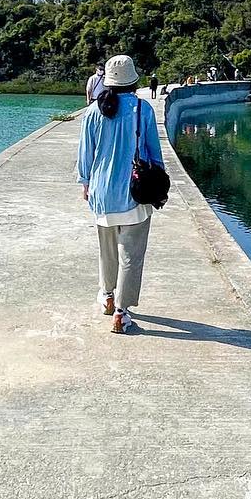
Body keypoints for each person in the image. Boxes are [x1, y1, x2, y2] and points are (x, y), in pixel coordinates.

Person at [77, 54, 164, 334]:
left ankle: (107, 296)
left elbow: (85, 154)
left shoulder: (93, 111)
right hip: (135, 194)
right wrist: (159, 185)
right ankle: (121, 313)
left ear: (108, 82)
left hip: (102, 194)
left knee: (107, 252)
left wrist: (85, 183)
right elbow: (154, 152)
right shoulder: (142, 109)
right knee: (131, 256)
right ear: (133, 81)